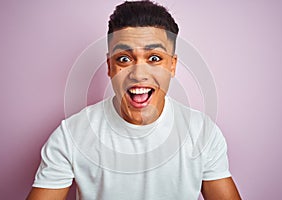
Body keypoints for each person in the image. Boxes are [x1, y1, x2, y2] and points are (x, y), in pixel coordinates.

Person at [27, 1, 241, 199]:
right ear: (110, 67)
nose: (139, 74)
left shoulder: (201, 132)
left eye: (154, 58)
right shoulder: (71, 135)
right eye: (124, 59)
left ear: (172, 66)